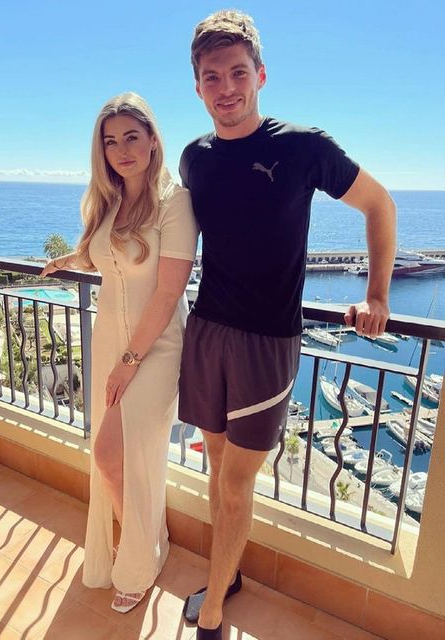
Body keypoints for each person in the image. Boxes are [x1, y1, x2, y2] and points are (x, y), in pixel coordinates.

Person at [178, 10, 396, 639]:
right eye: (212, 76)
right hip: (206, 330)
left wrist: (375, 294)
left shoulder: (301, 148)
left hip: (268, 343)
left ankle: (214, 610)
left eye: (238, 73)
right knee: (216, 469)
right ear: (197, 86)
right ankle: (231, 573)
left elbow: (378, 205)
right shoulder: (195, 159)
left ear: (261, 75)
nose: (226, 88)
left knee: (239, 484)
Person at [41, 92, 198, 613]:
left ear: (154, 141)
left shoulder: (176, 202)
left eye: (133, 136)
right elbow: (105, 257)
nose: (122, 149)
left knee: (113, 455)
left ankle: (142, 555)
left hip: (152, 348)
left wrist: (130, 362)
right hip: (111, 340)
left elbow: (168, 290)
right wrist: (67, 259)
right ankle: (146, 539)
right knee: (122, 458)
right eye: (111, 141)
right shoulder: (110, 201)